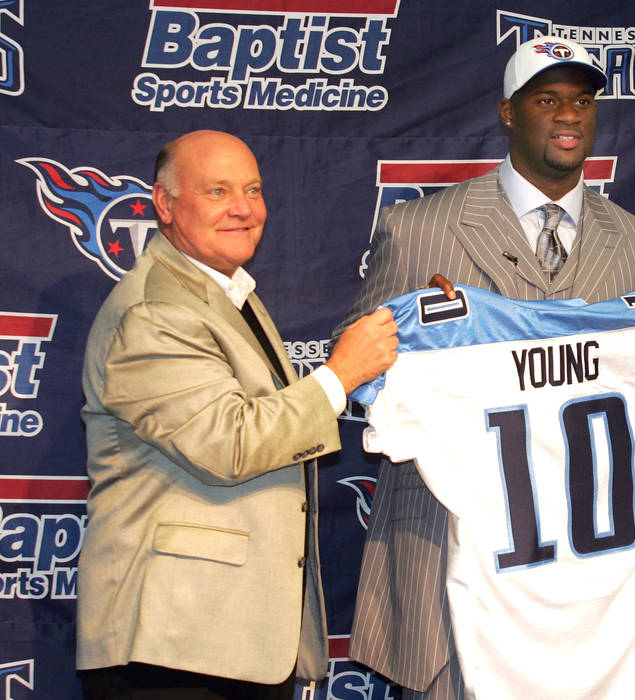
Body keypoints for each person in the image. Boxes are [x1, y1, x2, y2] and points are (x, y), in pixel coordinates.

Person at [333, 35, 635, 699]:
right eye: (547, 99)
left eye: (582, 100)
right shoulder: (419, 231)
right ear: (508, 112)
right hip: (452, 569)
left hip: (592, 590)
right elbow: (357, 380)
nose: (570, 114)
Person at [76, 130, 398, 700]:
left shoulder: (226, 293)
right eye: (218, 190)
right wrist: (340, 375)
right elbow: (228, 445)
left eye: (252, 189)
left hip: (228, 640)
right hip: (173, 644)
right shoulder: (156, 309)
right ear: (164, 204)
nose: (243, 208)